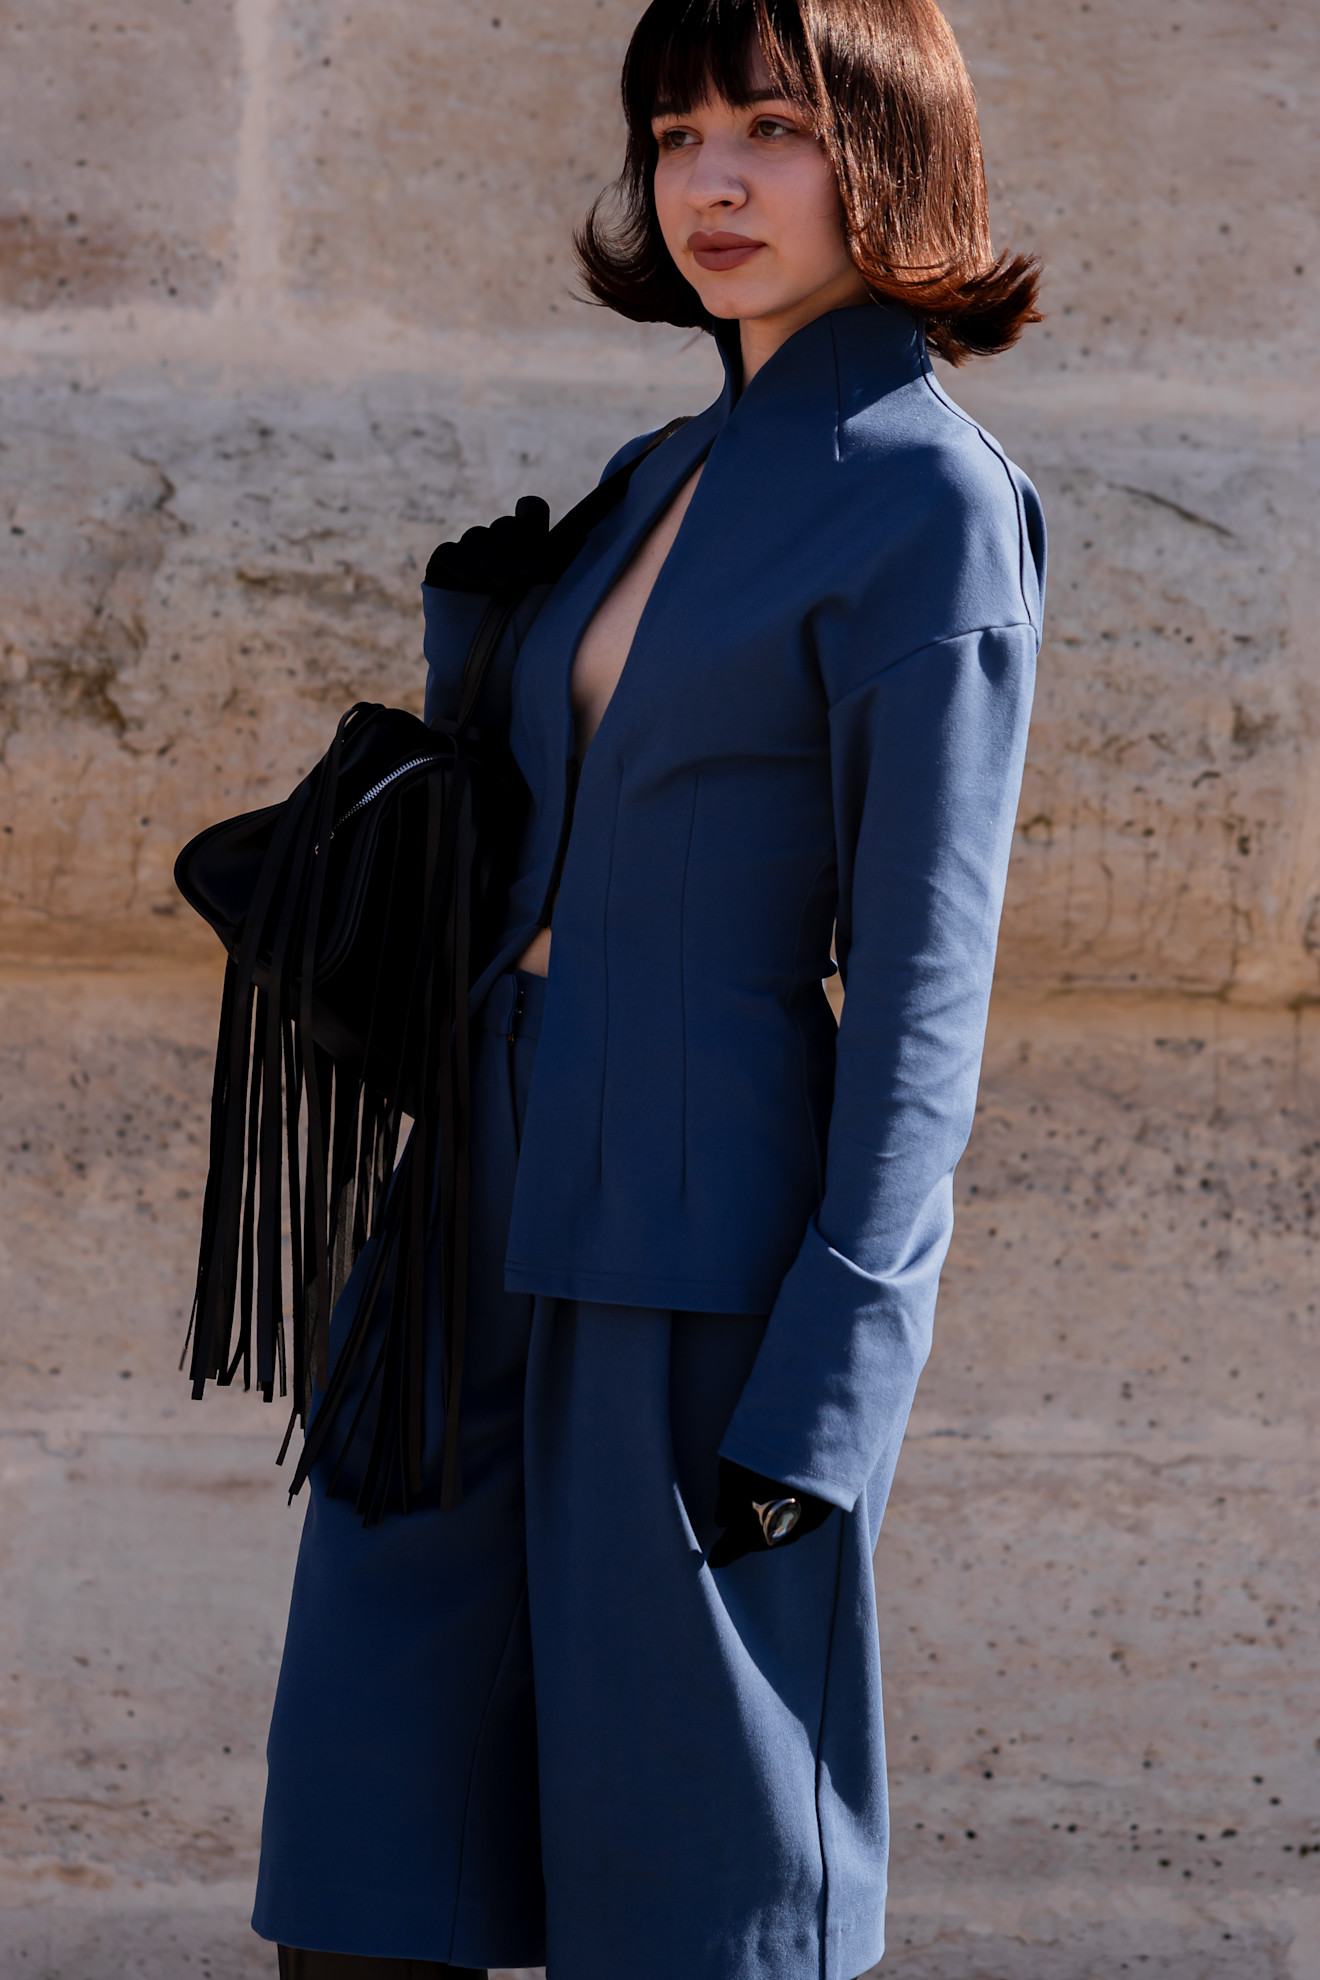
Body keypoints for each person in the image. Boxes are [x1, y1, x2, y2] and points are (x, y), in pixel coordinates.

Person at [252, 0, 1045, 1974]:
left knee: (693, 1882)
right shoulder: (650, 469)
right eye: (679, 132)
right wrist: (477, 641)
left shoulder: (933, 504)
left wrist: (835, 1391)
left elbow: (925, 993)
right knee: (365, 1844)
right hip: (473, 1203)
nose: (713, 179)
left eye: (774, 126)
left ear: (890, 153)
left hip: (704, 1246)